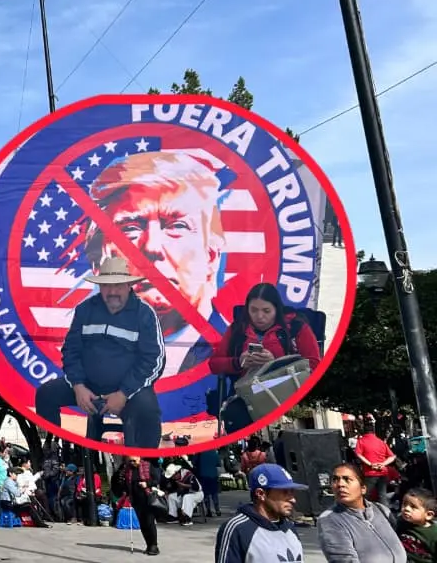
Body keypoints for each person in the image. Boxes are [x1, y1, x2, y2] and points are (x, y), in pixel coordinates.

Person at [82, 150, 230, 373]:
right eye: (130, 229)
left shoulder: (235, 349)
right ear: (97, 261)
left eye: (176, 226)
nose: (151, 247)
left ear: (211, 255)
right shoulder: (84, 348)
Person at [34, 257, 166, 449]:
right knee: (46, 394)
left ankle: (147, 468)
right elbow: (71, 351)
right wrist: (78, 386)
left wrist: (123, 393)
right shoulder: (85, 309)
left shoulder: (144, 313)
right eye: (106, 286)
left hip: (127, 390)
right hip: (88, 387)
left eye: (118, 286)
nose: (112, 292)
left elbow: (154, 360)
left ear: (129, 285)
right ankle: (53, 451)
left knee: (148, 411)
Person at [209, 282, 323, 432]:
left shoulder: (297, 328)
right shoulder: (237, 329)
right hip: (248, 395)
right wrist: (238, 362)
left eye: (266, 311)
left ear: (277, 309)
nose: (259, 316)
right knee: (233, 415)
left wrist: (275, 362)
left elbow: (314, 365)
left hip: (286, 391)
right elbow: (214, 364)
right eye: (253, 310)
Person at [214, 463, 306, 563]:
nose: (293, 500)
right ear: (261, 494)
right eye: (285, 492)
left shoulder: (289, 528)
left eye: (292, 492)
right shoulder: (238, 529)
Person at [318, 462, 407, 562]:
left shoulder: (380, 510)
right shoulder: (330, 519)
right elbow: (344, 559)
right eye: (335, 479)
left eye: (347, 479)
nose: (340, 484)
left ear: (363, 488)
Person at [111, 455, 161, 556]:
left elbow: (157, 480)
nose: (132, 463)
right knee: (142, 523)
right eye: (130, 461)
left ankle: (154, 545)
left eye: (134, 461)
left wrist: (147, 484)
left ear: (139, 458)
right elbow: (122, 483)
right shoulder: (127, 469)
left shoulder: (148, 465)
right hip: (136, 500)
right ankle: (148, 544)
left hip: (148, 498)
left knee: (149, 521)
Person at [357, 424, 398, 504]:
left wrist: (370, 464)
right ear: (374, 432)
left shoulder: (361, 441)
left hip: (370, 473)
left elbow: (358, 454)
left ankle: (364, 513)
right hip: (383, 472)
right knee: (382, 495)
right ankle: (385, 514)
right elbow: (392, 456)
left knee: (365, 495)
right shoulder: (380, 442)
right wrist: (383, 464)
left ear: (363, 432)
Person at [397, 488, 437, 563]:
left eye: (413, 507)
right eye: (404, 504)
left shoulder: (434, 535)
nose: (406, 509)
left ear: (428, 515)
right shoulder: (401, 522)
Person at [193, 447, 223, 517]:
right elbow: (218, 463)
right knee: (214, 493)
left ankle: (208, 510)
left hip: (203, 475)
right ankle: (217, 509)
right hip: (213, 475)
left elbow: (193, 462)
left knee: (206, 494)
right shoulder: (214, 452)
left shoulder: (199, 451)